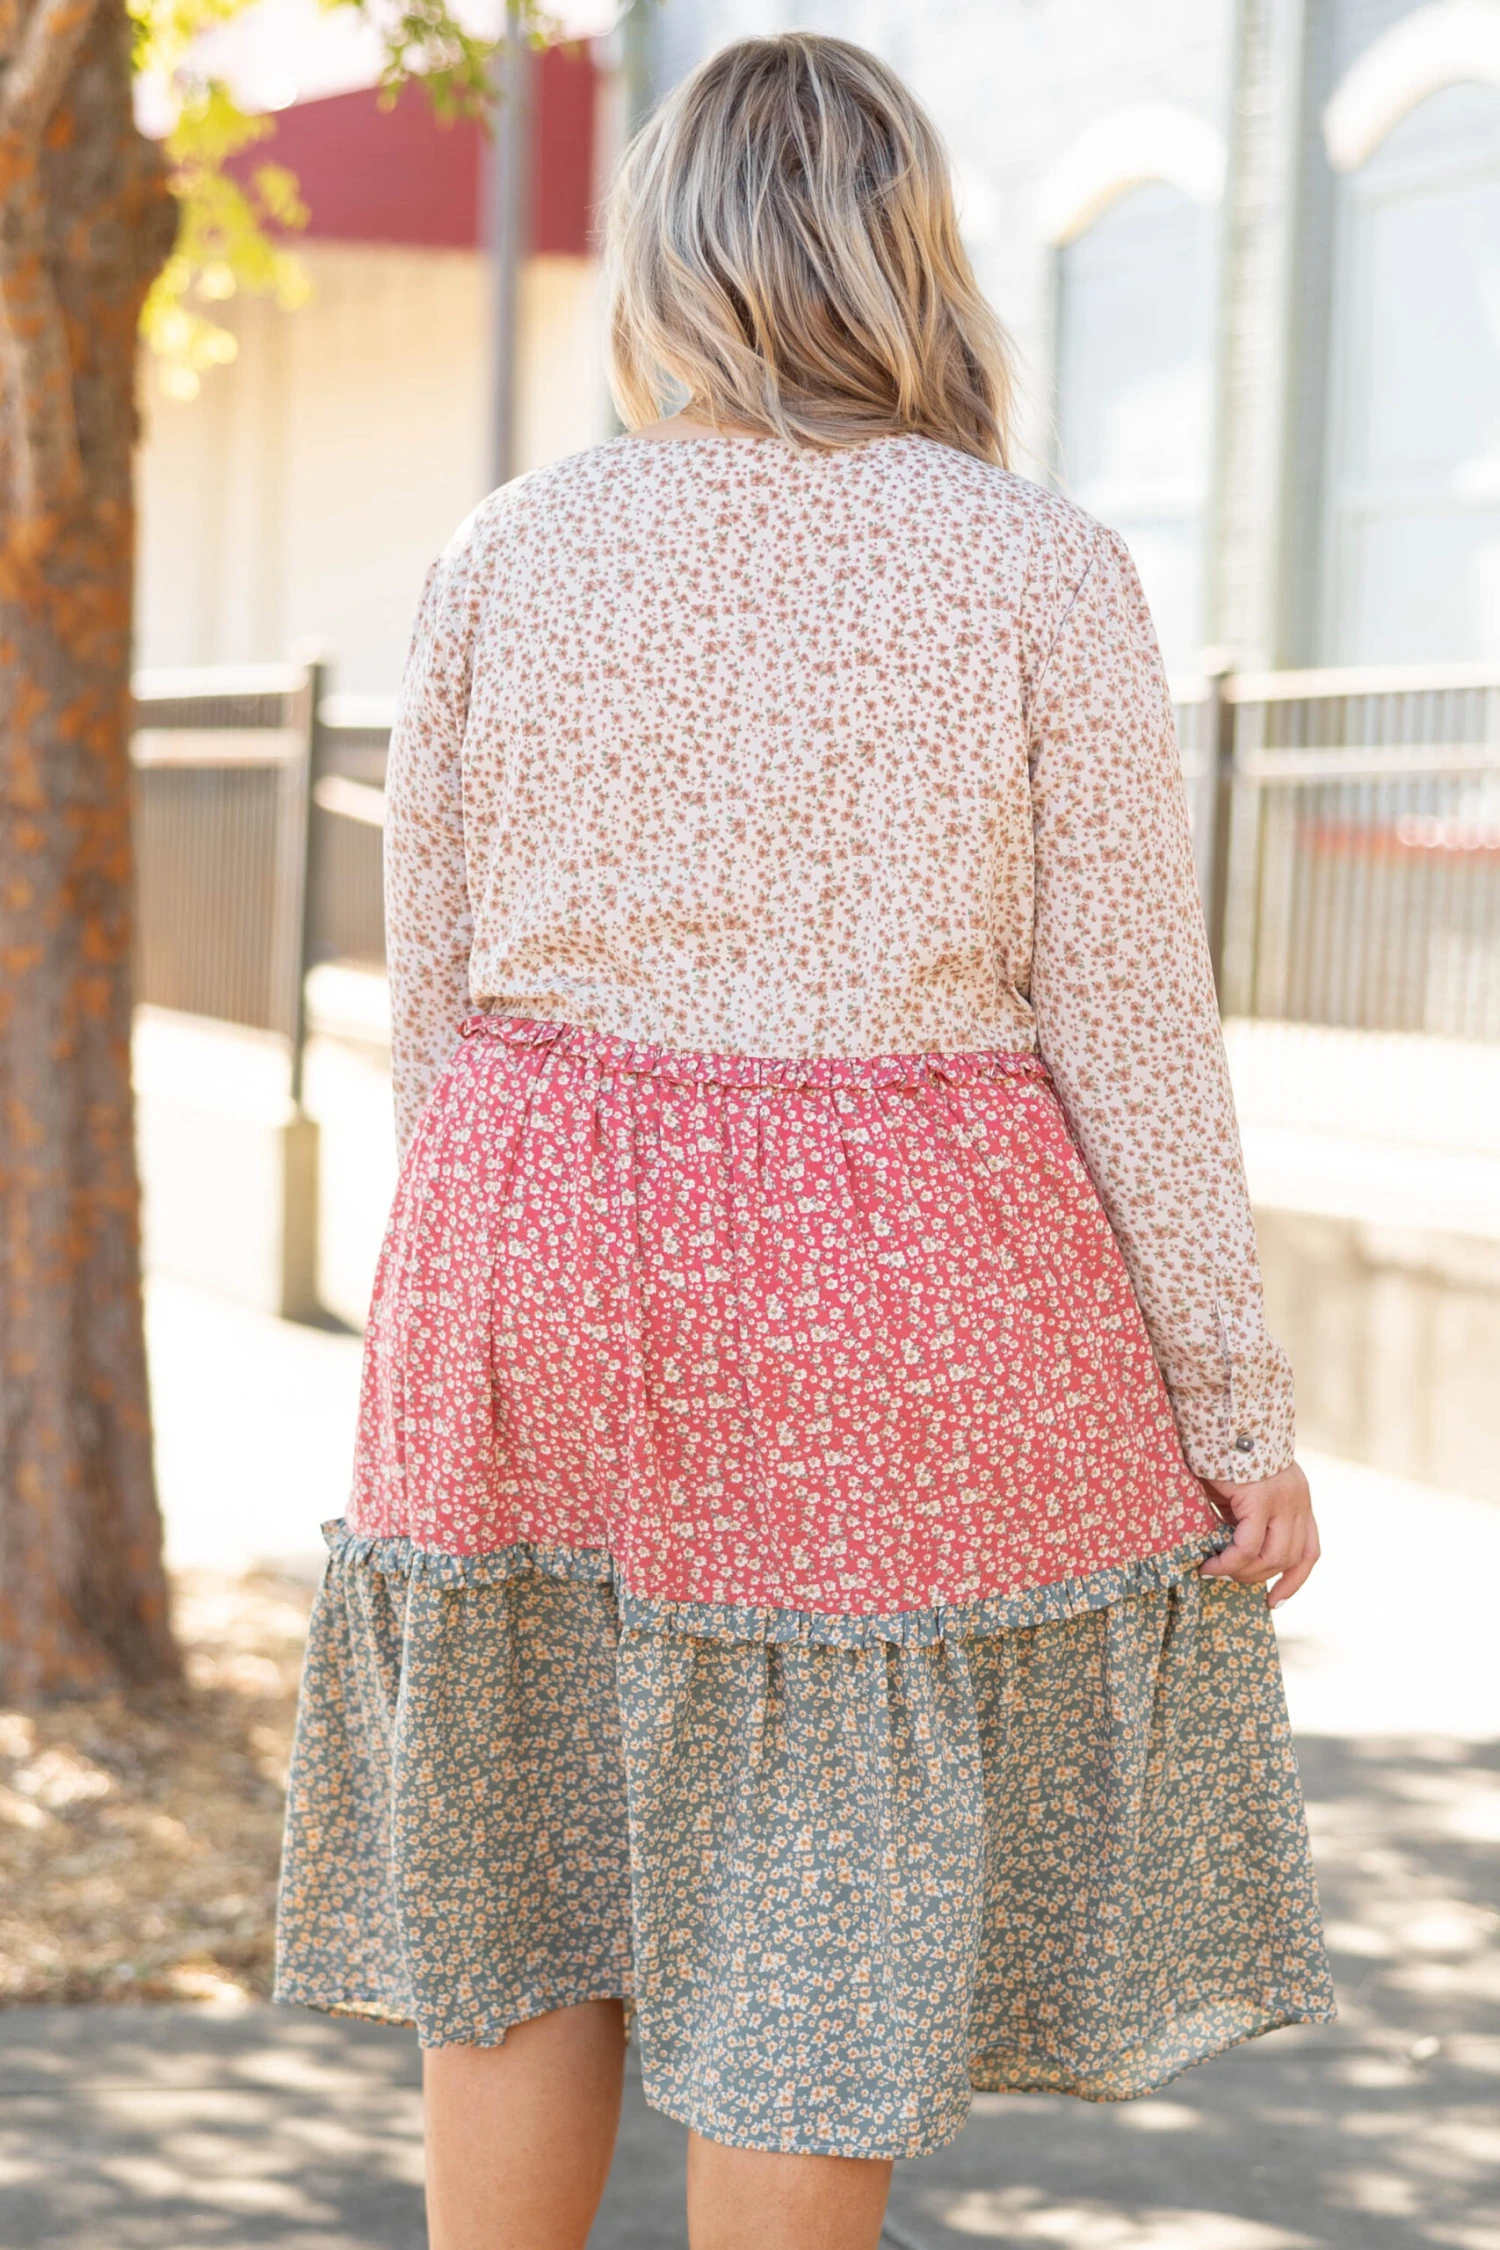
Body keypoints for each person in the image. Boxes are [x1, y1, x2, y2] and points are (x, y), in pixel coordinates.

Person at [275, 31, 1334, 2250]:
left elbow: (435, 989)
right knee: (814, 1898)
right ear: (908, 260)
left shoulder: (506, 550)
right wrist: (1231, 1404)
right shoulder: (1036, 565)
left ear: (664, 263)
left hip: (528, 1230)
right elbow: (1131, 1019)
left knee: (523, 1866)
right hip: (889, 1265)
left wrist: (453, 1300)